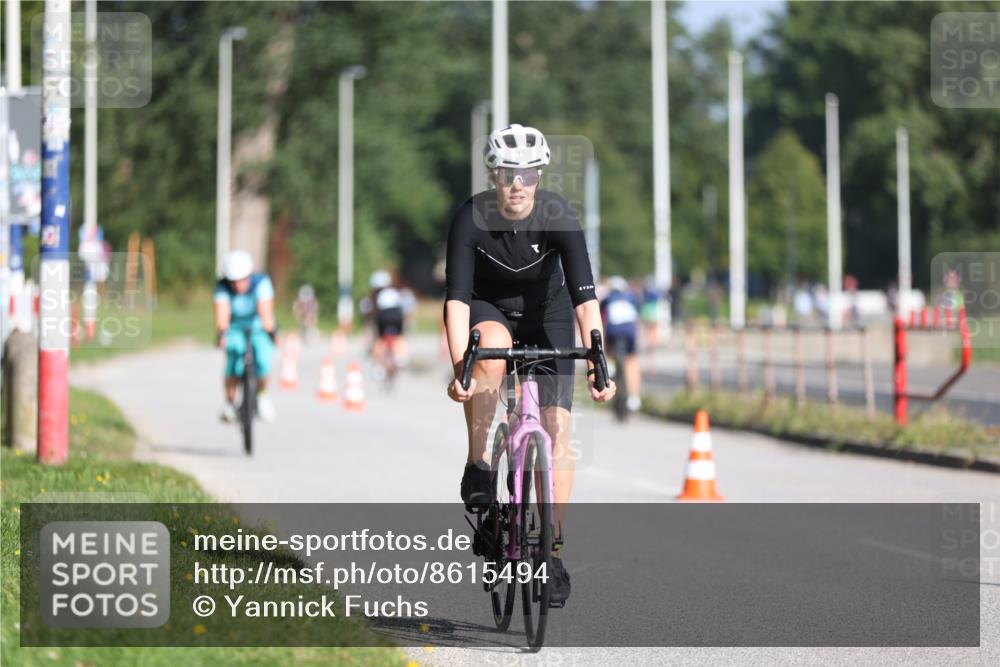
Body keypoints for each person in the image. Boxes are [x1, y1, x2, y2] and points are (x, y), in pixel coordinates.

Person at [444, 123, 615, 605]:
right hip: (489, 308)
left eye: (528, 174)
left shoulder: (558, 215)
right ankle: (479, 463)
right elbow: (456, 301)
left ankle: (551, 550)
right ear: (493, 175)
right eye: (507, 174)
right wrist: (462, 367)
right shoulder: (470, 218)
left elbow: (585, 300)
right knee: (492, 350)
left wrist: (599, 361)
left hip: (549, 315)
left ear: (539, 177)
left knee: (559, 428)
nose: (517, 184)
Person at [213, 250, 278, 424]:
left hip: (258, 326)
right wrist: (221, 334)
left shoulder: (261, 283)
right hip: (234, 328)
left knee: (264, 361)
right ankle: (229, 403)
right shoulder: (222, 287)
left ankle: (262, 397)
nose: (237, 285)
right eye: (233, 281)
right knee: (233, 360)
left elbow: (265, 311)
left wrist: (272, 333)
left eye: (241, 280)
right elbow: (222, 313)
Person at [600, 276, 642, 413]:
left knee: (605, 343)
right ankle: (634, 397)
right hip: (629, 331)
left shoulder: (607, 299)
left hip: (613, 330)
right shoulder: (631, 297)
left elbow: (601, 318)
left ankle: (609, 364)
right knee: (631, 360)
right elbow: (636, 316)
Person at [361, 270, 407, 377]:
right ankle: (402, 357)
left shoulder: (374, 296)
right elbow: (401, 308)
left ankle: (379, 367)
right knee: (400, 336)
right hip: (396, 316)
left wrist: (369, 321)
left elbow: (371, 312)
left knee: (379, 340)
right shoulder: (394, 292)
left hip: (383, 317)